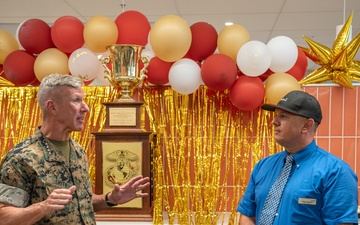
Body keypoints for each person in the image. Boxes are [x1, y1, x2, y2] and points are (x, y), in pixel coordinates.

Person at [0, 74, 151, 225]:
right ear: (52, 107)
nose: (86, 108)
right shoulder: (21, 158)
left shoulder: (77, 151)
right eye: (76, 100)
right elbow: (4, 217)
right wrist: (43, 207)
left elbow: (82, 202)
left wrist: (110, 199)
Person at [237, 90, 358, 225]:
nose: (274, 122)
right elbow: (247, 215)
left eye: (283, 116)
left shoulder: (336, 172)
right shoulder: (263, 166)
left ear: (307, 125)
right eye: (276, 115)